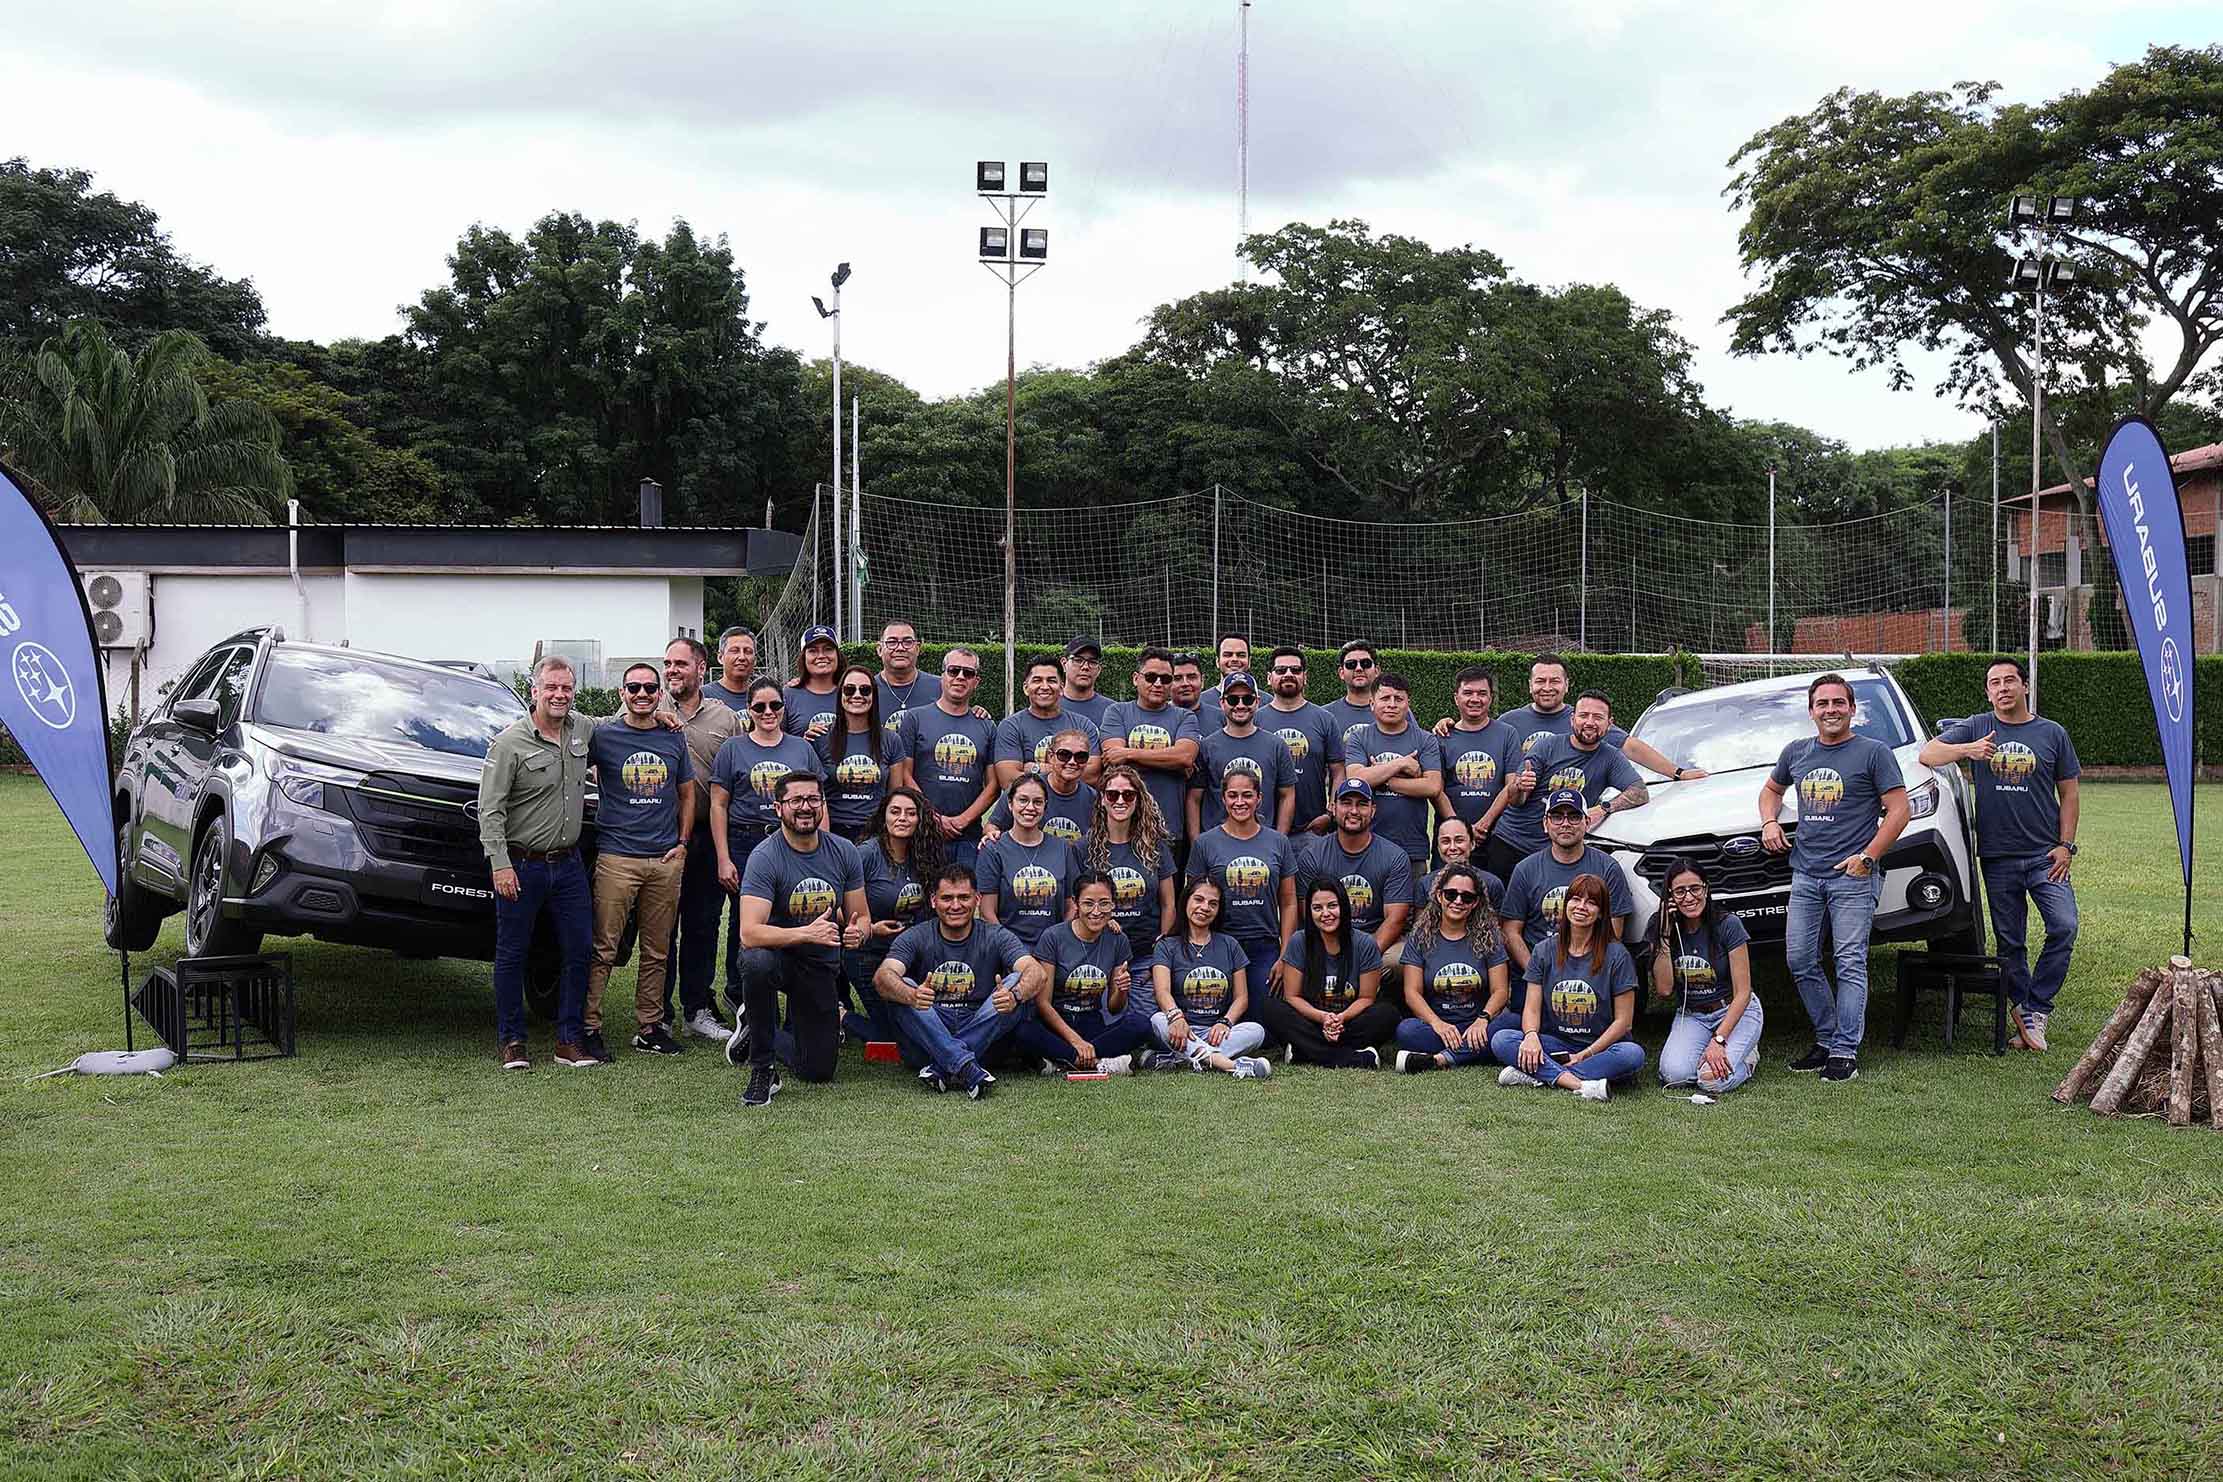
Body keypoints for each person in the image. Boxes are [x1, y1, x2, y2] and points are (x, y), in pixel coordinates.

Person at [1918, 657, 2080, 1052]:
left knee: (2064, 926)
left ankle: (2036, 1007)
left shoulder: (2052, 733)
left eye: (2010, 680)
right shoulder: (1977, 726)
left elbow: (2070, 793)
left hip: (2045, 855)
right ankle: (2025, 1011)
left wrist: (2066, 845)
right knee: (2011, 942)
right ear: (1988, 692)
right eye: (1995, 682)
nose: (2003, 687)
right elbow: (1928, 753)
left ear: (2025, 686)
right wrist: (1968, 750)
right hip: (1998, 857)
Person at [1760, 672, 1910, 1084]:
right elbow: (1771, 791)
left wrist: (1868, 857)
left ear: (1852, 709)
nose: (1831, 710)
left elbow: (1900, 810)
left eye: (1838, 703)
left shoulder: (1874, 752)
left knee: (1849, 962)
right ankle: (1827, 1039)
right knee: (1799, 959)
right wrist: (1769, 822)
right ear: (1811, 711)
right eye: (1822, 704)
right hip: (1805, 875)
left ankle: (1845, 1050)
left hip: (1852, 877)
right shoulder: (1796, 752)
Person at [477, 655, 597, 1070]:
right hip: (521, 865)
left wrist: (665, 716)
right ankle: (512, 1041)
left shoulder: (582, 729)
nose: (560, 695)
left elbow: (623, 720)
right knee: (513, 953)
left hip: (569, 866)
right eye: (551, 687)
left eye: (566, 688)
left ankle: (568, 1040)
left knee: (580, 949)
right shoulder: (508, 743)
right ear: (535, 691)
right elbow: (490, 809)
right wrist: (499, 863)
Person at [733, 773, 871, 1106]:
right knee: (756, 961)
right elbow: (749, 932)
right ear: (778, 808)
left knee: (817, 1071)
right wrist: (806, 933)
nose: (805, 807)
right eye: (796, 800)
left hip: (818, 965)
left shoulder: (844, 851)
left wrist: (859, 932)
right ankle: (762, 1069)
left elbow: (862, 916)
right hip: (777, 956)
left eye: (812, 799)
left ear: (823, 805)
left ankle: (754, 1024)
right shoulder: (765, 856)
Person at [583, 662, 695, 1061]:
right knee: (603, 948)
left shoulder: (673, 737)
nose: (642, 694)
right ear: (622, 693)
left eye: (650, 687)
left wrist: (683, 843)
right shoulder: (604, 736)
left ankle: (650, 1027)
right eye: (634, 687)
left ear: (660, 693)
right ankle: (588, 1027)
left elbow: (686, 793)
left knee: (657, 949)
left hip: (664, 858)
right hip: (617, 857)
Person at [710, 677, 826, 1028]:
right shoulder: (733, 748)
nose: (768, 712)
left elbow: (818, 800)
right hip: (746, 841)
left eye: (775, 705)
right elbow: (718, 804)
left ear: (783, 708)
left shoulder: (801, 748)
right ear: (749, 710)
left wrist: (823, 846)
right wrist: (723, 857)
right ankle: (742, 995)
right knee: (745, 922)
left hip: (794, 840)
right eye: (759, 706)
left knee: (795, 915)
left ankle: (799, 1002)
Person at [874, 867, 1046, 1098]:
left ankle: (944, 1065)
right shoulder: (916, 935)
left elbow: (1037, 972)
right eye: (947, 898)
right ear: (933, 901)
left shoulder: (995, 935)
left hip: (981, 1028)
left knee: (1016, 982)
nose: (955, 906)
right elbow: (882, 977)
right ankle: (966, 1067)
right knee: (901, 985)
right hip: (930, 1031)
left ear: (977, 899)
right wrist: (912, 996)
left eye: (964, 897)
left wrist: (1014, 996)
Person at [1490, 874, 1646, 1100]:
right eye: (1575, 899)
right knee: (1502, 1039)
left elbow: (1624, 1022)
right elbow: (1531, 1008)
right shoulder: (1543, 950)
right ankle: (1578, 1084)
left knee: (1632, 1054)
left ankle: (1538, 1074)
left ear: (1601, 913)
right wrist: (1531, 1036)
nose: (1581, 906)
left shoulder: (1617, 955)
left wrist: (1585, 1054)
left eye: (1591, 902)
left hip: (1600, 1047)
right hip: (1556, 1043)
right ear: (1565, 905)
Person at [658, 635, 742, 1044]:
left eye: (680, 664)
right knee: (661, 927)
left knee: (702, 925)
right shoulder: (646, 703)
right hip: (659, 835)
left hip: (707, 836)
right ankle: (657, 1013)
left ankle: (696, 1009)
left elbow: (741, 773)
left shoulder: (725, 718)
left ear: (701, 668)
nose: (671, 671)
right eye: (667, 664)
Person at [1482, 691, 1647, 880]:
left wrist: (1603, 809)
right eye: (1583, 715)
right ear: (1572, 719)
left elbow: (1640, 791)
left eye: (1598, 717)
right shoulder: (1547, 746)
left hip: (1560, 852)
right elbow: (1516, 800)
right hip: (1512, 843)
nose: (1590, 722)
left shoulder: (1610, 758)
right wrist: (1519, 787)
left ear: (1609, 723)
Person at [1019, 874, 1154, 1074]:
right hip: (1058, 1024)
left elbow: (1114, 1008)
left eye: (1104, 903)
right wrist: (1077, 1042)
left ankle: (1064, 1061)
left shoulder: (1118, 940)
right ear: (1076, 904)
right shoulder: (1053, 937)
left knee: (1141, 1024)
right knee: (1023, 1031)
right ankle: (1098, 1063)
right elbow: (1043, 1004)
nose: (1096, 911)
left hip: (1092, 1023)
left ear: (1113, 904)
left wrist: (1122, 990)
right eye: (1088, 903)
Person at [1649, 861, 1763, 1094]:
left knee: (1710, 1080)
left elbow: (1743, 992)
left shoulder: (1728, 924)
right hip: (1693, 1015)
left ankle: (1748, 1060)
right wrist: (1664, 937)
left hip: (1734, 1009)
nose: (1689, 897)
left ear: (1706, 889)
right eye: (1680, 891)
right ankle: (1714, 1055)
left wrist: (1719, 1040)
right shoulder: (1660, 926)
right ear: (1669, 896)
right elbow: (1664, 990)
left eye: (1695, 889)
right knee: (1674, 1076)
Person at [1498, 652, 1699, 783]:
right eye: (1540, 681)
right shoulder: (1509, 722)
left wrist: (1678, 772)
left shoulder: (1586, 721)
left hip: (1570, 821)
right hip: (1522, 822)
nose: (1547, 687)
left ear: (1567, 685)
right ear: (1530, 685)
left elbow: (1631, 747)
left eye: (1555, 681)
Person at [1185, 770, 1298, 1001]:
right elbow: (1191, 899)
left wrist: (1285, 954)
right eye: (1232, 795)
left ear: (1259, 798)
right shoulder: (1205, 843)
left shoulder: (1279, 842)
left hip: (1264, 943)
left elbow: (1288, 902)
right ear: (1223, 798)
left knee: (1263, 1017)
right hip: (1218, 942)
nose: (1239, 802)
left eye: (1247, 795)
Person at [843, 785, 943, 1046]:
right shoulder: (866, 854)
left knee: (922, 1023)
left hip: (906, 955)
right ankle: (839, 1015)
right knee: (894, 1036)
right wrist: (871, 928)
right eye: (895, 811)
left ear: (920, 819)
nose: (902, 818)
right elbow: (838, 907)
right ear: (883, 816)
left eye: (910, 813)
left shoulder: (924, 854)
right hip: (868, 954)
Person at [1259, 878, 1394, 1067]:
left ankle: (1304, 1052)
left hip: (1350, 1020)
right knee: (1270, 1007)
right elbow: (1292, 996)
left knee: (1387, 1014)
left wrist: (1340, 1018)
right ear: (1309, 911)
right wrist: (1322, 1018)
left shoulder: (1365, 943)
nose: (1325, 914)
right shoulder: (1299, 941)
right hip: (1311, 1020)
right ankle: (1353, 1057)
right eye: (1317, 908)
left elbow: (1366, 998)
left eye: (1332, 906)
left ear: (1343, 906)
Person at [1148, 877, 1274, 1077]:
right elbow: (1162, 992)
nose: (1205, 907)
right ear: (1186, 901)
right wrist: (1176, 1017)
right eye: (1198, 900)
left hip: (1215, 1032)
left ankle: (1180, 1058)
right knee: (1158, 1019)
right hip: (1180, 1028)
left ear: (1218, 910)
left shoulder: (1230, 944)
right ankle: (1227, 1064)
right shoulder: (1166, 946)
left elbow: (1241, 998)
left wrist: (1225, 1022)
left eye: (1213, 903)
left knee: (1256, 1030)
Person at [1392, 864, 1512, 1073]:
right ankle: (1473, 1053)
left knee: (1512, 1023)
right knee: (1406, 1030)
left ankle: (1441, 1058)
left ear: (1475, 903)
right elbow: (1412, 992)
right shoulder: (1420, 936)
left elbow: (1500, 991)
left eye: (1467, 897)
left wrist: (1483, 1020)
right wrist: (1437, 1024)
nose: (1458, 901)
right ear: (1439, 896)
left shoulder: (1490, 936)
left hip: (1479, 1024)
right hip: (1438, 1027)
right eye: (1451, 894)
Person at [1498, 790, 1634, 973]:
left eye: (1574, 817)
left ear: (1587, 822)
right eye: (1557, 817)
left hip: (1591, 972)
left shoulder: (1608, 869)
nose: (1565, 823)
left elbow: (1613, 935)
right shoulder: (1525, 870)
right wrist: (1536, 974)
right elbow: (1511, 931)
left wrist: (1588, 975)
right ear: (1545, 824)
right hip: (1539, 970)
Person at [891, 648, 999, 870]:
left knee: (965, 892)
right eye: (953, 670)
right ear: (942, 676)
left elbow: (993, 786)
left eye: (968, 673)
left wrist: (962, 820)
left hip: (968, 837)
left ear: (976, 682)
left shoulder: (987, 726)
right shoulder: (914, 718)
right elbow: (904, 774)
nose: (960, 677)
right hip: (923, 832)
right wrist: (933, 817)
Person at [1101, 647, 1203, 866]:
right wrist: (1169, 760)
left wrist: (1129, 753)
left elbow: (1185, 756)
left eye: (1166, 679)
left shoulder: (1185, 716)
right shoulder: (1116, 712)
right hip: (1123, 828)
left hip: (1169, 828)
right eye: (1151, 677)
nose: (1158, 683)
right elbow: (1113, 759)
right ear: (1136, 678)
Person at [1297, 778, 1415, 960]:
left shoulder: (1395, 857)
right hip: (1327, 938)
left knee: (1395, 960)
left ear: (1372, 810)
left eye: (1362, 804)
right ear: (1333, 808)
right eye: (1346, 803)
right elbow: (1308, 913)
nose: (1354, 811)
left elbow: (1395, 920)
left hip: (1374, 938)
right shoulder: (1312, 855)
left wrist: (1362, 959)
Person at [1341, 673, 1444, 878]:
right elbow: (1356, 779)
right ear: (1372, 703)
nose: (1392, 704)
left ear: (1408, 704)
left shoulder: (1425, 740)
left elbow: (1432, 786)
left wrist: (1383, 779)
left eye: (1398, 699)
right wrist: (1401, 764)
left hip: (1412, 846)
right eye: (1385, 698)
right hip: (1366, 842)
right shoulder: (1359, 738)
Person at [1084, 763, 1176, 966]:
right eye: (1112, 795)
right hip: (1097, 952)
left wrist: (1162, 949)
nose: (1120, 801)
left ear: (1138, 800)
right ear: (1102, 800)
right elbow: (1074, 904)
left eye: (1128, 795)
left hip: (1147, 954)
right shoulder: (1084, 847)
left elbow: (1168, 904)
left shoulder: (1155, 846)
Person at [974, 774, 1078, 949]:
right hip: (1007, 950)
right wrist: (1015, 952)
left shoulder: (1062, 848)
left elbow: (1071, 907)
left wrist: (1057, 944)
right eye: (1023, 800)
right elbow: (987, 913)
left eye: (1037, 802)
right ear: (1010, 804)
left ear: (1045, 806)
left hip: (1054, 949)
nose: (1030, 808)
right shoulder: (993, 849)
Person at [1187, 672, 1296, 835]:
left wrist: (1279, 840)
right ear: (1222, 702)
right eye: (1232, 699)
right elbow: (1194, 799)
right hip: (1217, 841)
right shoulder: (1206, 747)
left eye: (1247, 699)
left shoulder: (1276, 746)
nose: (1240, 705)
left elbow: (1287, 795)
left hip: (1262, 840)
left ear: (1257, 702)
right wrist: (1197, 843)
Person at [1259, 646, 1344, 836]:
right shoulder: (1255, 719)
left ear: (1305, 677)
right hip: (1264, 830)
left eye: (1296, 670)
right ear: (1269, 678)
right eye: (1281, 670)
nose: (1288, 674)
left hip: (1313, 828)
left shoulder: (1325, 719)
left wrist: (1330, 814)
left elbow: (1338, 771)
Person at [1433, 666, 1520, 847]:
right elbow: (1436, 790)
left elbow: (1511, 786)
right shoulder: (1442, 737)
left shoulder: (1507, 734)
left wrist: (1484, 824)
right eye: (1468, 693)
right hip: (1450, 838)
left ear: (1490, 698)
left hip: (1497, 836)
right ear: (1456, 698)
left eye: (1482, 693)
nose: (1475, 699)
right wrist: (1459, 829)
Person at [818, 664, 903, 843]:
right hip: (832, 832)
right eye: (849, 689)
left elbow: (895, 796)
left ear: (874, 696)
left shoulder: (891, 740)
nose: (857, 695)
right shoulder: (821, 738)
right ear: (840, 695)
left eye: (865, 690)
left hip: (875, 834)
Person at [994, 655, 1101, 789]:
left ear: (1061, 688)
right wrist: (1068, 771)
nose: (1044, 686)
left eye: (1051, 680)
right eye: (1037, 680)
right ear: (1026, 688)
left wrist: (1035, 768)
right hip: (1030, 803)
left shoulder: (1083, 725)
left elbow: (1092, 775)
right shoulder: (1011, 726)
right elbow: (1008, 779)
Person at [986, 727, 1098, 846]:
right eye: (1064, 755)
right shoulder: (1024, 788)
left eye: (1081, 757)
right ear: (1051, 756)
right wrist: (992, 835)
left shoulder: (1094, 799)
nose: (1072, 762)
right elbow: (992, 826)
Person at [872, 619, 942, 737]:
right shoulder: (865, 690)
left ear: (917, 648)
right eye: (892, 642)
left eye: (907, 642)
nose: (900, 648)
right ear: (879, 649)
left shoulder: (941, 687)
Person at [1421, 815, 1502, 916]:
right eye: (1446, 841)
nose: (1452, 847)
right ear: (1438, 847)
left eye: (1459, 841)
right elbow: (1420, 923)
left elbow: (1498, 924)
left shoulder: (1492, 884)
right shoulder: (1426, 883)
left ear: (1472, 844)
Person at [783, 625, 842, 740]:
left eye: (828, 649)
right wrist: (803, 744)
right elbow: (776, 741)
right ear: (803, 657)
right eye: (813, 651)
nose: (821, 656)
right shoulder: (788, 695)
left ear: (837, 655)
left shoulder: (851, 692)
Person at [1324, 639, 1382, 754]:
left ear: (1377, 671)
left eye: (1366, 663)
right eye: (1351, 664)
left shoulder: (1397, 710)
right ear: (1341, 673)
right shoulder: (1325, 715)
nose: (1359, 668)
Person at [1058, 635, 1115, 727]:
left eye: (1092, 662)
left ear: (1099, 670)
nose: (1085, 667)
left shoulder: (1112, 711)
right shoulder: (1048, 706)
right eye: (1078, 660)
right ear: (1064, 664)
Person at [1195, 632, 1252, 722]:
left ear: (1249, 661)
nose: (1234, 659)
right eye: (1227, 655)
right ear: (1217, 661)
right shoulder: (1200, 701)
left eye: (1241, 655)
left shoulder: (1266, 701)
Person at [706, 626, 757, 710]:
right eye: (734, 651)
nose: (742, 657)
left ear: (755, 660)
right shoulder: (703, 697)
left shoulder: (766, 698)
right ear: (720, 657)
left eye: (748, 651)